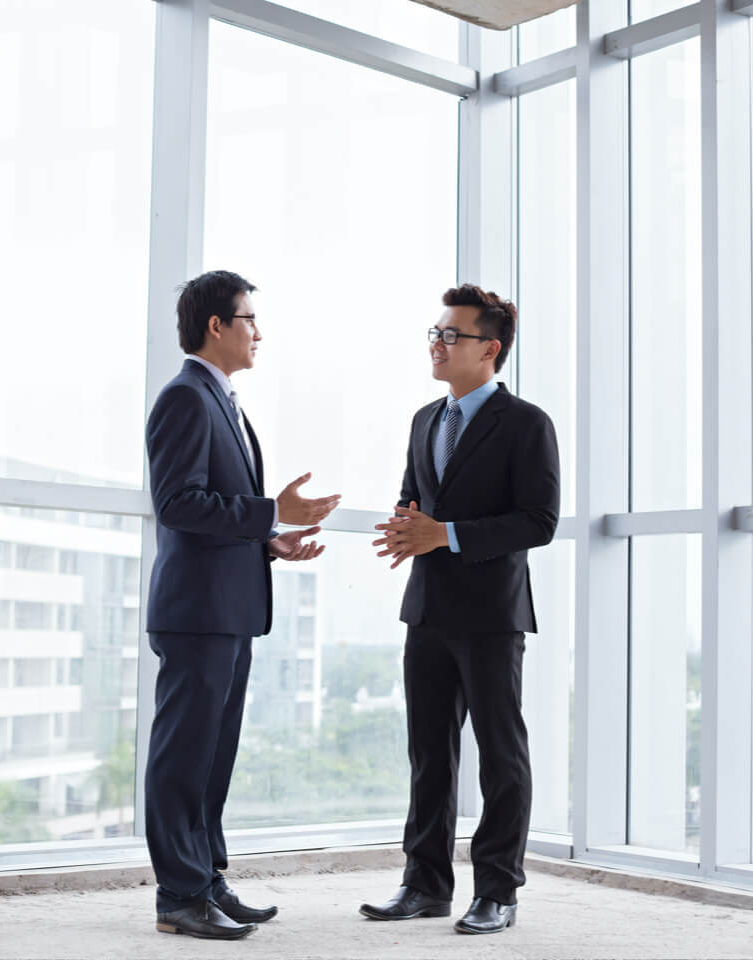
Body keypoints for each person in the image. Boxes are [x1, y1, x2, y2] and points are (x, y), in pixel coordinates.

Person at [144, 269, 340, 940]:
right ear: (217, 327)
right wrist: (268, 510)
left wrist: (271, 539)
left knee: (212, 759)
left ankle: (206, 879)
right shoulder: (185, 399)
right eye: (249, 318)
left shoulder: (223, 401)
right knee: (183, 758)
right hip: (197, 613)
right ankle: (179, 895)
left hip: (227, 609)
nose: (259, 331)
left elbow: (219, 516)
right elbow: (176, 504)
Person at [361, 283, 559, 935]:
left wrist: (443, 534)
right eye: (435, 334)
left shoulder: (526, 423)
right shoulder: (425, 419)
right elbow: (413, 494)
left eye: (452, 335)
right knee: (429, 753)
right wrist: (405, 526)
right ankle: (424, 885)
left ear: (490, 349)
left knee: (501, 755)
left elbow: (538, 520)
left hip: (491, 612)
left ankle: (496, 890)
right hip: (427, 609)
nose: (438, 345)